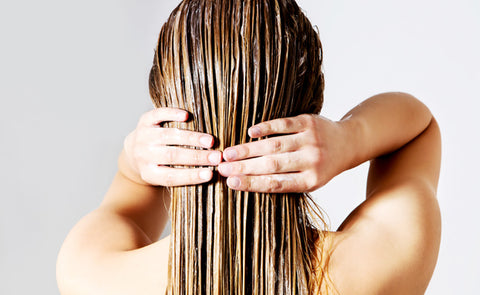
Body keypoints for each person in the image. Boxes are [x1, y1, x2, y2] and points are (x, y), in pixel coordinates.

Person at [56, 0, 441, 294]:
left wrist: (133, 163)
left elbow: (123, 207)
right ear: (310, 110)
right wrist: (350, 137)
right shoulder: (376, 265)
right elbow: (419, 127)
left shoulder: (94, 273)